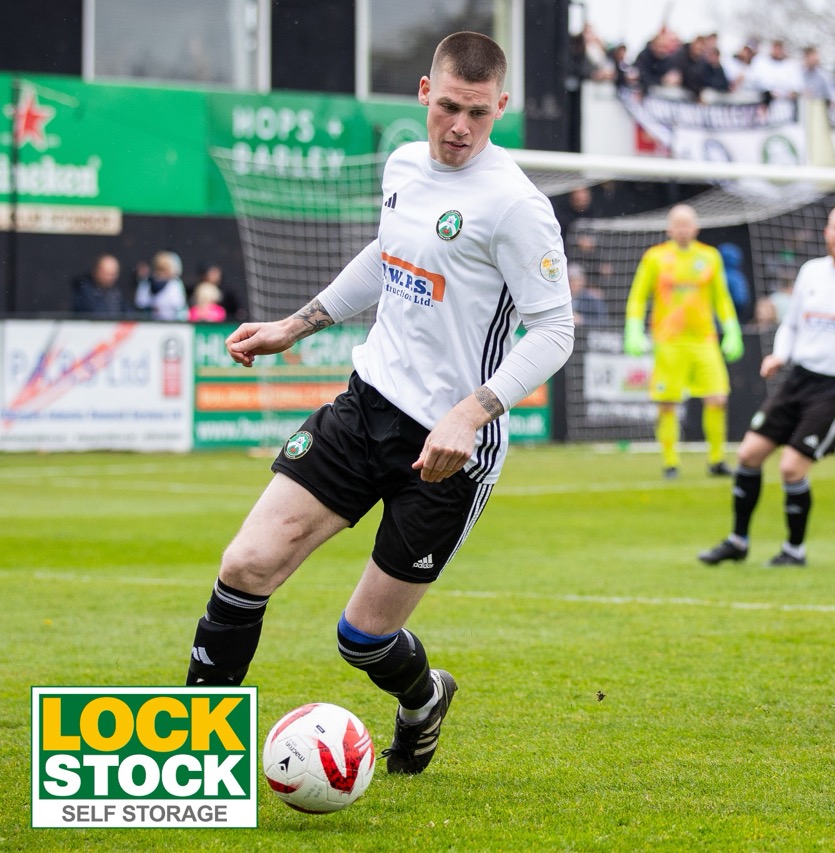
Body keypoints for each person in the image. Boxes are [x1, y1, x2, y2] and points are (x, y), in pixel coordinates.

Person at [182, 32, 574, 777]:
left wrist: (471, 412)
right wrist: (296, 325)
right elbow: (386, 253)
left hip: (448, 451)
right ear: (425, 93)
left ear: (502, 107)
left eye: (479, 114)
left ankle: (424, 699)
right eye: (449, 107)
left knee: (361, 638)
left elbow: (555, 330)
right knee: (246, 564)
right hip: (365, 408)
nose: (460, 127)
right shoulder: (401, 165)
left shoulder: (516, 206)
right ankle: (193, 760)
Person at [698, 203, 835, 568]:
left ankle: (794, 551)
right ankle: (738, 541)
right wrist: (779, 355)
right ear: (827, 232)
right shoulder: (811, 272)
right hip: (797, 377)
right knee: (748, 454)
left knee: (791, 468)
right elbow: (791, 324)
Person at [624, 204, 743, 478]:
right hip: (669, 342)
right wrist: (633, 329)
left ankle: (716, 461)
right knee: (667, 403)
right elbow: (638, 296)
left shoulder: (710, 256)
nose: (682, 229)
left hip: (704, 340)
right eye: (678, 224)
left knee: (717, 398)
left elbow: (722, 298)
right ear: (669, 229)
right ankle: (670, 463)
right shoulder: (655, 257)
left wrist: (732, 329)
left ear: (696, 227)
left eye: (687, 224)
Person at [135, 250, 188, 321]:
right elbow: (180, 305)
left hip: (165, 323)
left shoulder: (145, 283)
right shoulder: (174, 284)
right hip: (155, 323)